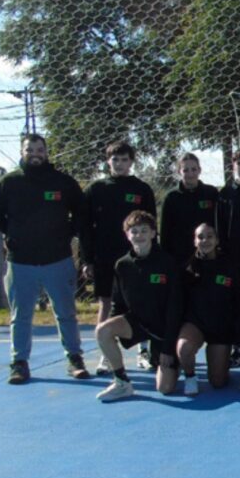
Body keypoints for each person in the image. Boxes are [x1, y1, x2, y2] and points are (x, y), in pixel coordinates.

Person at [0, 133, 88, 384]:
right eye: (30, 149)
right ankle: (19, 363)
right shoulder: (7, 183)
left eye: (39, 149)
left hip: (58, 260)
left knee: (66, 313)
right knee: (20, 316)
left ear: (46, 152)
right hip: (21, 263)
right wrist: (12, 233)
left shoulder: (62, 182)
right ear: (22, 152)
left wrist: (66, 234)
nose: (35, 154)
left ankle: (74, 358)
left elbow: (82, 212)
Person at [80, 141, 158, 374]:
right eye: (115, 159)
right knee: (106, 303)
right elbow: (85, 228)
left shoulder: (141, 189)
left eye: (124, 159)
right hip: (104, 258)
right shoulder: (95, 190)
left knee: (140, 302)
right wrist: (87, 260)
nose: (120, 164)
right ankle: (107, 354)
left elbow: (152, 225)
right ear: (108, 161)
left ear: (131, 162)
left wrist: (152, 255)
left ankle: (144, 351)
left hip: (135, 258)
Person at [94, 211, 182, 401]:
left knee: (165, 388)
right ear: (127, 235)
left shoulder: (167, 262)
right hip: (138, 324)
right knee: (103, 330)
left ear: (153, 234)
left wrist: (168, 347)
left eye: (144, 231)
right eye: (134, 232)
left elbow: (175, 309)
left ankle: (173, 361)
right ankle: (122, 382)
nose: (139, 235)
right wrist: (113, 332)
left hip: (163, 330)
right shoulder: (122, 265)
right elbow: (118, 304)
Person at [175, 223, 240, 395]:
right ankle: (190, 376)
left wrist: (236, 330)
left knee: (218, 382)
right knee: (184, 348)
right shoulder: (186, 268)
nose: (205, 240)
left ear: (217, 240)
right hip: (195, 324)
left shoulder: (230, 266)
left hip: (220, 328)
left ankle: (221, 363)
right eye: (200, 237)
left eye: (210, 236)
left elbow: (239, 300)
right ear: (194, 241)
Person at [159, 152, 219, 266]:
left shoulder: (211, 193)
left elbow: (219, 223)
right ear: (179, 172)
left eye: (194, 169)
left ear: (199, 170)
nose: (190, 173)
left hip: (208, 253)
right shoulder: (171, 197)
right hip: (180, 256)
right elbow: (165, 232)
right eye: (186, 170)